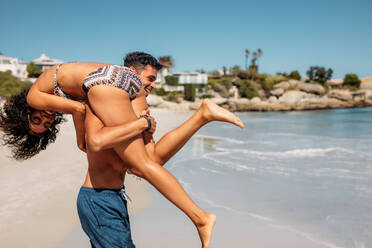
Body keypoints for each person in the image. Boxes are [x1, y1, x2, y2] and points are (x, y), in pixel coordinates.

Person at [0, 52, 244, 247]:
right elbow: (82, 106)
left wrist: (80, 141)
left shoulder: (34, 97)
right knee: (150, 159)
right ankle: (203, 115)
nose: (46, 119)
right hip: (122, 80)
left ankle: (200, 218)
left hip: (103, 80)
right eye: (46, 125)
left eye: (37, 121)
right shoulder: (69, 92)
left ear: (25, 112)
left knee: (141, 165)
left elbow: (80, 111)